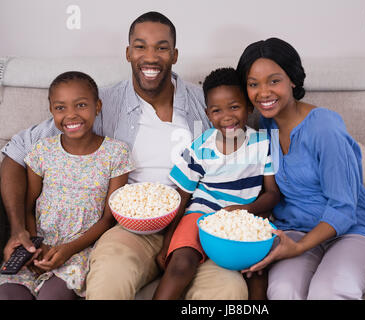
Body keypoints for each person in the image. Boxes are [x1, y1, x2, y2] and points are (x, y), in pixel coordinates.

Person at [0, 12, 248, 299]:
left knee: (228, 291)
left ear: (175, 54)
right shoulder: (98, 104)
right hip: (129, 230)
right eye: (140, 46)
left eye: (162, 47)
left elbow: (243, 150)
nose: (151, 57)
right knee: (109, 280)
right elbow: (17, 150)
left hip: (196, 222)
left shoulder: (205, 103)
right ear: (128, 53)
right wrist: (18, 228)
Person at [235, 38, 365, 300]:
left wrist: (299, 248)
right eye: (253, 84)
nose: (263, 93)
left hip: (353, 232)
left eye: (274, 81)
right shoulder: (265, 125)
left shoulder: (324, 128)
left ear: (293, 80)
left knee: (327, 292)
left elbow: (344, 206)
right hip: (295, 230)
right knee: (283, 292)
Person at [0, 71, 133, 299]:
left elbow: (108, 219)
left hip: (78, 249)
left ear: (97, 106)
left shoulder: (116, 153)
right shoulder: (42, 151)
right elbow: (29, 206)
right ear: (51, 110)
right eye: (61, 108)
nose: (71, 115)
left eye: (81, 105)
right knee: (9, 294)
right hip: (38, 246)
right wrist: (34, 246)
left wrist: (67, 250)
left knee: (53, 295)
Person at [153, 67, 280, 300]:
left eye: (234, 107)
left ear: (249, 107)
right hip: (200, 213)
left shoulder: (262, 144)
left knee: (258, 273)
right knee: (181, 264)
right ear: (208, 114)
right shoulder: (199, 147)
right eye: (217, 110)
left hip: (245, 219)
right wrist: (167, 242)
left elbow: (272, 194)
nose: (227, 116)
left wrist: (245, 210)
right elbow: (182, 198)